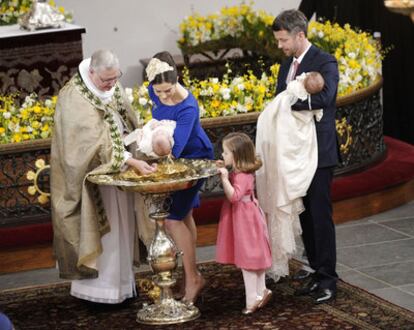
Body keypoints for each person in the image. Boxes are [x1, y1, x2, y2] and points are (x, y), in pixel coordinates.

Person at [50, 49, 156, 304]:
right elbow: (86, 144)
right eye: (105, 80)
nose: (111, 84)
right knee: (104, 233)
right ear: (91, 72)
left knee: (122, 228)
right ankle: (97, 293)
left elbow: (124, 119)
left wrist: (138, 138)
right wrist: (126, 159)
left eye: (115, 78)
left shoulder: (111, 84)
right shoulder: (74, 96)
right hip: (92, 181)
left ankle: (122, 286)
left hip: (118, 174)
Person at [271, 9, 340, 304]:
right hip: (294, 154)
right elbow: (278, 98)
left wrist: (290, 102)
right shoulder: (286, 64)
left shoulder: (324, 61)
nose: (280, 46)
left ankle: (328, 280)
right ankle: (315, 269)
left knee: (321, 216)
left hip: (319, 152)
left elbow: (326, 98)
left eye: (284, 40)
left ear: (300, 35)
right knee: (306, 215)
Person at [146, 51, 214, 304]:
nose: (163, 96)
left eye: (168, 90)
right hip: (170, 154)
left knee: (173, 219)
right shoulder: (155, 88)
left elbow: (176, 148)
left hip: (193, 157)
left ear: (177, 80)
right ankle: (190, 273)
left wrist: (151, 146)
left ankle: (193, 277)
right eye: (159, 91)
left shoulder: (187, 107)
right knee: (184, 215)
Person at [256, 71, 325, 284]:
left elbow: (313, 105)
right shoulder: (293, 76)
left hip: (290, 132)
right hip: (285, 128)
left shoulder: (298, 87)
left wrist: (293, 95)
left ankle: (316, 268)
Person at [216, 132, 272, 315]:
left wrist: (224, 179)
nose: (222, 156)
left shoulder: (240, 176)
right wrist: (225, 169)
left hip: (244, 217)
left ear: (236, 154)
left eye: (225, 153)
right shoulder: (243, 171)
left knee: (247, 259)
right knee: (255, 255)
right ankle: (261, 290)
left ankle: (252, 299)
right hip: (249, 214)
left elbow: (234, 196)